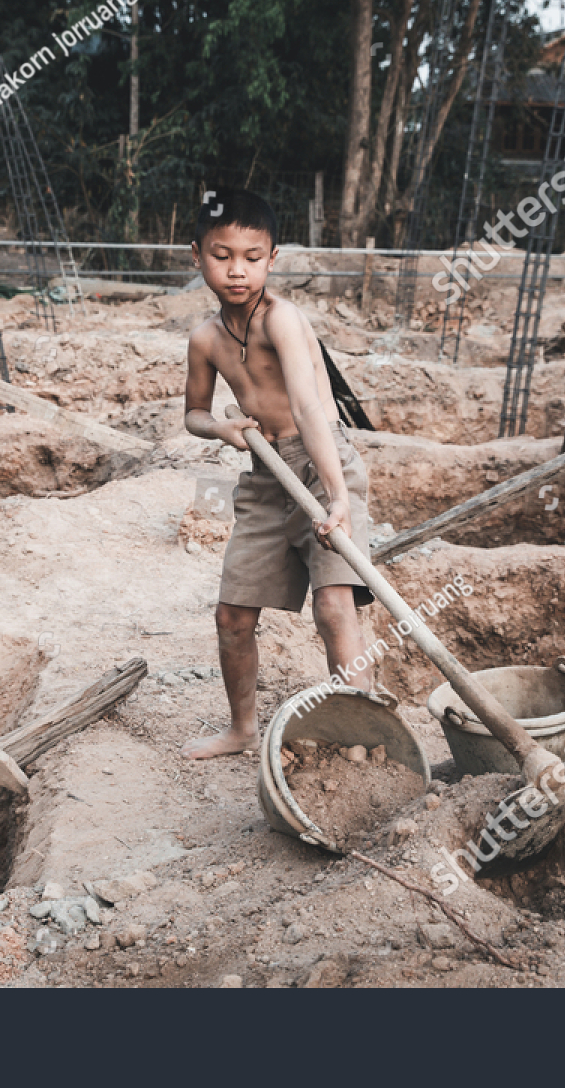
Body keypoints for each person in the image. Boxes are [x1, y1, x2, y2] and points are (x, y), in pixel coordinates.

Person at [181, 188, 375, 759]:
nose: (237, 270)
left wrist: (337, 496)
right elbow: (193, 414)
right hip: (265, 478)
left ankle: (362, 738)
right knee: (233, 615)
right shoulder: (206, 339)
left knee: (335, 605)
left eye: (252, 256)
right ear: (197, 256)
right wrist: (222, 428)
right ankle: (242, 731)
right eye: (222, 255)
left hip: (322, 465)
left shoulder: (283, 320)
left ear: (273, 259)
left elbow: (313, 407)